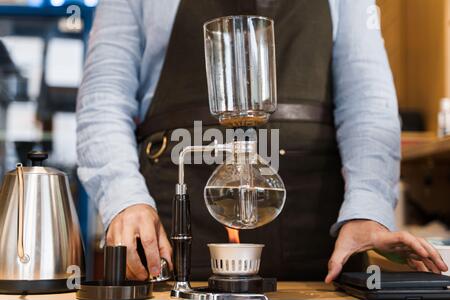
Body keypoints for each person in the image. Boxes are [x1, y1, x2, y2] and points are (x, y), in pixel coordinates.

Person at [76, 0, 448, 282]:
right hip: (176, 222)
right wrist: (123, 199)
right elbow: (102, 100)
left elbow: (368, 104)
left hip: (319, 228)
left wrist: (368, 209)